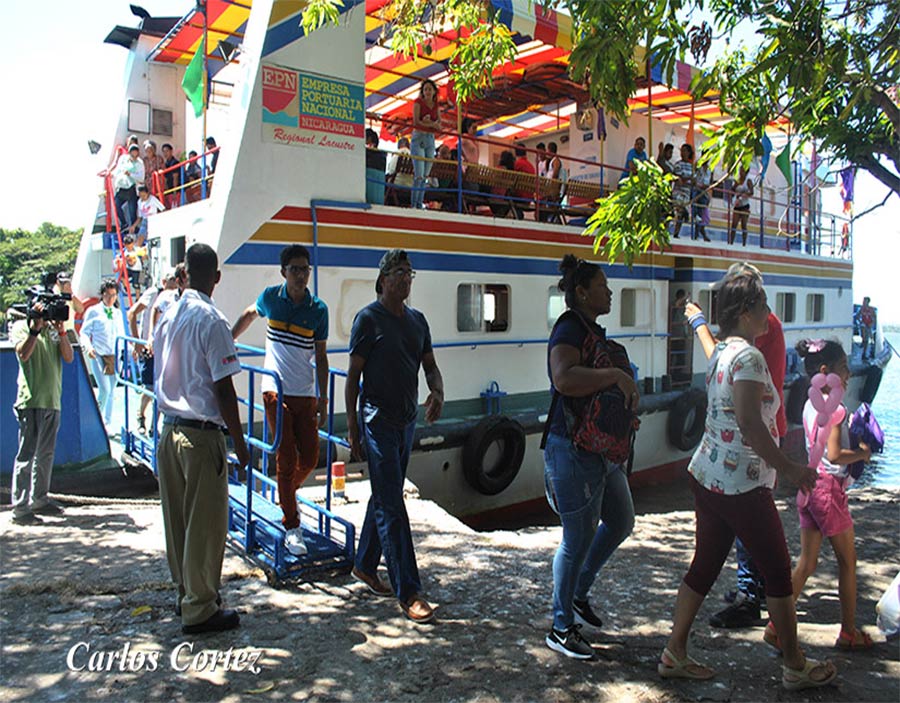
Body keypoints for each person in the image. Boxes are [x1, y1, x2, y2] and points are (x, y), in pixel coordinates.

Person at [659, 272, 836, 691]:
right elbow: (751, 425)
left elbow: (709, 345)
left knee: (704, 565)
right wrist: (792, 470)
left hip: (708, 475)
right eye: (762, 307)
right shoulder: (751, 359)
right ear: (745, 312)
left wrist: (696, 320)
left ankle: (674, 651)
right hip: (742, 483)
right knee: (777, 572)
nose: (768, 314)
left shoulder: (723, 352)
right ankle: (794, 665)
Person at [543, 255, 638, 660]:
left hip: (600, 449)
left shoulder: (590, 331)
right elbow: (564, 379)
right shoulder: (568, 328)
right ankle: (560, 627)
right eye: (602, 285)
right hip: (572, 448)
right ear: (582, 293)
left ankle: (578, 592)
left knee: (620, 520)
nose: (609, 291)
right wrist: (616, 377)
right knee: (576, 537)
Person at [685, 262, 788, 629]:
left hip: (737, 457)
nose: (769, 312)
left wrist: (699, 325)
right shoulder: (744, 348)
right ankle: (783, 643)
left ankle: (750, 593)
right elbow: (747, 418)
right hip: (740, 463)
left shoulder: (752, 342)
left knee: (722, 555)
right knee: (768, 558)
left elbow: (748, 416)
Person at [153, 243, 250, 635]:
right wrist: (240, 444)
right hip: (200, 434)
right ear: (217, 277)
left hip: (168, 429)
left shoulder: (167, 314)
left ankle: (186, 594)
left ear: (184, 276)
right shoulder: (212, 320)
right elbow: (224, 390)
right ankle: (201, 607)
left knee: (177, 522)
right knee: (205, 524)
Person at [345, 249, 444, 623]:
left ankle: (365, 564)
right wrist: (353, 427)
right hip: (376, 421)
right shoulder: (368, 320)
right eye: (399, 272)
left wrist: (438, 392)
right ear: (383, 280)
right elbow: (353, 378)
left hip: (406, 420)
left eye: (409, 273)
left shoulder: (418, 321)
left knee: (384, 494)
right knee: (392, 504)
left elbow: (430, 367)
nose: (405, 279)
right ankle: (409, 591)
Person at [762, 339, 874, 651]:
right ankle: (849, 631)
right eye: (843, 368)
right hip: (829, 492)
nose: (849, 373)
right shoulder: (836, 409)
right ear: (826, 371)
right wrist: (862, 454)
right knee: (848, 562)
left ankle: (775, 626)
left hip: (809, 487)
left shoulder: (810, 404)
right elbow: (836, 455)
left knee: (807, 563)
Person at [232, 245, 329, 557]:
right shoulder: (272, 298)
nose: (301, 275)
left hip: (306, 392)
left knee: (311, 458)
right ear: (283, 272)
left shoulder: (318, 309)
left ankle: (287, 492)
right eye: (295, 269)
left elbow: (322, 356)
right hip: (275, 389)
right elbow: (249, 313)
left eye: (305, 269)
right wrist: (229, 339)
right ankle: (292, 525)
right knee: (285, 456)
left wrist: (324, 399)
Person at [9, 295, 74, 524]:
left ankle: (40, 499)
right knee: (27, 455)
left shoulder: (54, 331)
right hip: (31, 401)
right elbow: (23, 354)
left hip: (52, 401)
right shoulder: (21, 327)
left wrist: (62, 331)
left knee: (45, 454)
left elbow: (68, 357)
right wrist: (35, 330)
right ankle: (20, 507)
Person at [128, 270, 177, 435]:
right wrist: (137, 342)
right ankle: (140, 415)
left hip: (163, 349)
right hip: (148, 348)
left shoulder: (177, 297)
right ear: (164, 282)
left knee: (160, 389)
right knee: (149, 388)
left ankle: (153, 427)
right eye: (169, 282)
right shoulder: (153, 294)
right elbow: (132, 313)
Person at [80, 280, 124, 431]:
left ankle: (107, 422)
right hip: (99, 355)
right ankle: (96, 419)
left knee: (112, 390)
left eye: (114, 295)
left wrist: (131, 350)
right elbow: (84, 332)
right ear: (102, 295)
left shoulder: (117, 313)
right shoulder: (93, 311)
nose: (111, 298)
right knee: (104, 390)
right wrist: (88, 347)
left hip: (114, 356)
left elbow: (122, 335)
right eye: (108, 295)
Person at [410, 79, 441, 210]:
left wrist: (429, 123)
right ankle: (415, 204)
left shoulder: (436, 105)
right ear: (423, 92)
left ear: (434, 91)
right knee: (419, 174)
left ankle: (419, 202)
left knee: (425, 174)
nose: (428, 91)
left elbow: (439, 125)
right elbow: (416, 121)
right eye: (425, 89)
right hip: (419, 137)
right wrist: (431, 124)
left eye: (430, 89)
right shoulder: (418, 103)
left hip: (430, 139)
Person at [113, 144, 144, 232]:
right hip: (121, 187)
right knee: (116, 205)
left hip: (131, 188)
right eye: (132, 155)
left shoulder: (140, 163)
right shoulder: (123, 159)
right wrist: (112, 175)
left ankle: (133, 230)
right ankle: (123, 223)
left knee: (132, 211)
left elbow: (141, 177)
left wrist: (130, 174)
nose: (134, 157)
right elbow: (118, 169)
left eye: (136, 155)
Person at [671, 144, 695, 238]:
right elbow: (679, 179)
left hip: (687, 191)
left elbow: (693, 180)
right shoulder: (678, 164)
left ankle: (676, 232)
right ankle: (684, 213)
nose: (683, 153)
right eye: (682, 150)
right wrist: (688, 178)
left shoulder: (691, 166)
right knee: (679, 206)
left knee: (681, 213)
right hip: (678, 191)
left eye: (685, 151)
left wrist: (691, 180)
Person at [53, 272, 85, 338]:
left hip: (69, 331)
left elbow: (80, 309)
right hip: (57, 331)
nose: (65, 285)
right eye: (63, 283)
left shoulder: (69, 295)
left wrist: (71, 294)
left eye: (67, 282)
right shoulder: (53, 294)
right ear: (58, 282)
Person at [728, 167, 754, 246]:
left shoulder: (748, 181)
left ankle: (744, 244)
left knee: (744, 225)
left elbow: (752, 192)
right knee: (734, 225)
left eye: (742, 171)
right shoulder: (737, 180)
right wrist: (732, 195)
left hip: (745, 206)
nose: (740, 172)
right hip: (737, 205)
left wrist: (744, 194)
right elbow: (732, 190)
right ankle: (731, 242)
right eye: (740, 171)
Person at [386, 137, 413, 204]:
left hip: (396, 184)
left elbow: (391, 171)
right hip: (409, 186)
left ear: (399, 145)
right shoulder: (413, 156)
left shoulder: (397, 154)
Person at [365, 128, 387, 205]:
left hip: (369, 180)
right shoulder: (382, 155)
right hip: (379, 188)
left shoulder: (367, 152)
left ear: (369, 139)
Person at [161, 143, 181, 209]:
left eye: (167, 151)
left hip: (175, 191)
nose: (165, 153)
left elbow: (175, 177)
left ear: (171, 151)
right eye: (163, 151)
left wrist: (175, 191)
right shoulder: (166, 163)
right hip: (169, 190)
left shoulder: (175, 162)